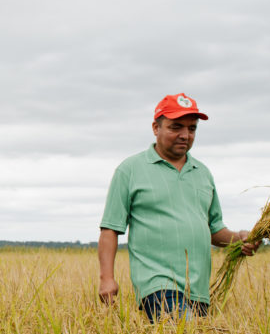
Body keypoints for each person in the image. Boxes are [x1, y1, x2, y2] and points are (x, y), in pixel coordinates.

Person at [97, 93, 257, 321]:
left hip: (198, 289)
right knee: (184, 333)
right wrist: (106, 278)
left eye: (192, 129)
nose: (185, 135)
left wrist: (239, 239)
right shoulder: (130, 170)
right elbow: (110, 229)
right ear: (156, 127)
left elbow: (214, 229)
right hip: (157, 282)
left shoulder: (203, 173)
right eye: (176, 127)